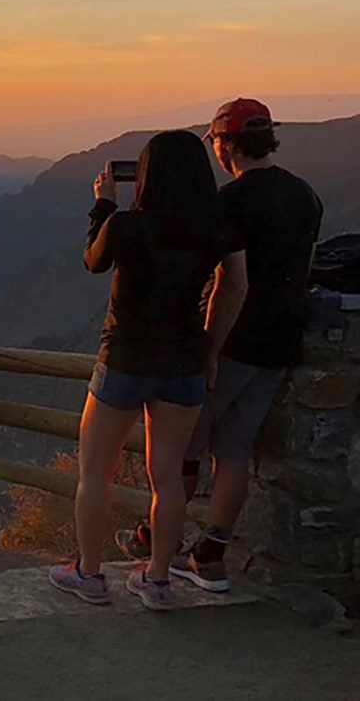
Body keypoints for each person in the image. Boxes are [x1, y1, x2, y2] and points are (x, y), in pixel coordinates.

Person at [119, 101, 322, 592]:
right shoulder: (305, 196)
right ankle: (211, 552)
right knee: (234, 451)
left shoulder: (227, 203)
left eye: (215, 142)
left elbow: (232, 283)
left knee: (181, 451)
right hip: (281, 341)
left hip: (232, 341)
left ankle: (154, 539)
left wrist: (209, 349)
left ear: (226, 144)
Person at [49, 131, 248, 611]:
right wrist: (211, 348)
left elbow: (92, 261)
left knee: (95, 473)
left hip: (124, 358)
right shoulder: (219, 228)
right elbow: (236, 286)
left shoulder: (126, 225)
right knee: (168, 479)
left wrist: (102, 207)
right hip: (183, 365)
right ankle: (157, 579)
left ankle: (90, 574)